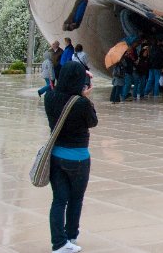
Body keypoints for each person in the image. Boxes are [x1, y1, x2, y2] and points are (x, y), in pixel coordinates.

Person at [44, 61, 98, 253]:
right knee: (76, 199)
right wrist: (85, 98)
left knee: (59, 200)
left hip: (56, 156)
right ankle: (71, 237)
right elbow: (93, 122)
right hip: (78, 158)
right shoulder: (81, 103)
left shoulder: (49, 97)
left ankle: (58, 243)